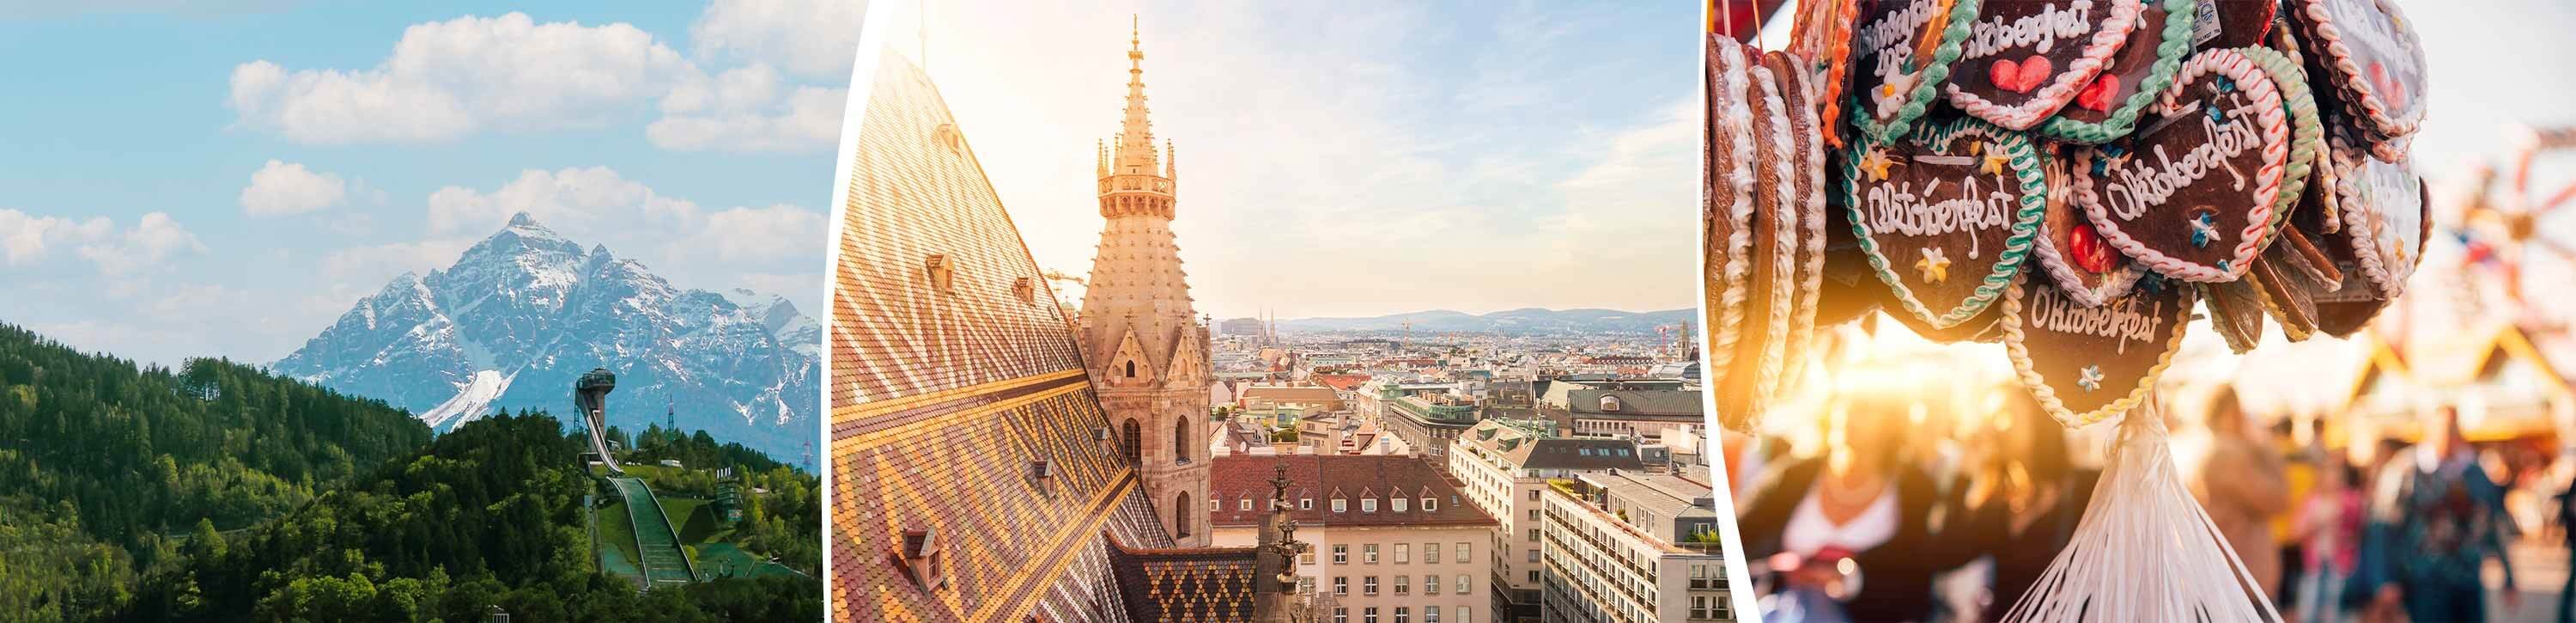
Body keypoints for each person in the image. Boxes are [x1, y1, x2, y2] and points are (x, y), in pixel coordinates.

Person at [1738, 388, 1970, 622]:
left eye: (1865, 409)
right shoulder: (1794, 475)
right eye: (1843, 403)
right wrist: (1778, 566)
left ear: (1891, 422)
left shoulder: (1915, 489)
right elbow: (1737, 535)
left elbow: (1918, 579)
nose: (1848, 415)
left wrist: (1852, 578)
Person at [1939, 394, 2099, 620]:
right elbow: (1943, 555)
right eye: (1993, 417)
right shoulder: (2002, 506)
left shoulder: (2087, 489)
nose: (1995, 426)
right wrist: (1964, 473)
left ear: (2040, 418)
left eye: (2006, 414)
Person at [2365, 405, 2520, 622]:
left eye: (2453, 428)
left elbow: (2494, 522)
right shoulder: (2407, 470)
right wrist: (2384, 579)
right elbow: (2383, 526)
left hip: (2468, 579)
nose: (2449, 434)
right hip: (2425, 579)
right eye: (2443, 428)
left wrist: (2510, 577)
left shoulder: (2474, 473)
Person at [2189, 387, 2293, 599]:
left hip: (2232, 576)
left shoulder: (2211, 450)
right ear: (2231, 413)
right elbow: (2278, 499)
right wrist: (2264, 445)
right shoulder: (2227, 456)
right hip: (2241, 578)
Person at [2290, 456, 2362, 623]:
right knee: (2309, 607)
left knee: (2335, 608)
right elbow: (2296, 532)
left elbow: (2357, 530)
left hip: (2341, 564)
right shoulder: (2311, 500)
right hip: (2314, 564)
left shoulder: (2351, 500)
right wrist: (2317, 524)